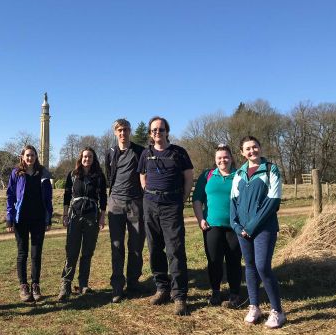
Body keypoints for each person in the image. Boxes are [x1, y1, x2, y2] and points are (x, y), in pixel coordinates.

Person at [137, 116, 193, 315]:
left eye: (160, 129)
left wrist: (183, 198)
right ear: (150, 133)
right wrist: (147, 191)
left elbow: (188, 177)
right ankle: (162, 288)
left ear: (167, 131)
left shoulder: (179, 153)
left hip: (172, 206)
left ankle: (179, 296)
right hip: (150, 205)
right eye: (154, 130)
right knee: (154, 249)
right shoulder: (145, 153)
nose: (157, 133)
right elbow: (142, 174)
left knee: (175, 249)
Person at [230, 136, 286, 329]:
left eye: (255, 147)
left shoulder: (271, 169)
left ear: (260, 148)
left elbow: (273, 202)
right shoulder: (238, 173)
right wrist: (237, 226)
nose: (252, 151)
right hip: (242, 231)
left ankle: (277, 311)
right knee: (250, 266)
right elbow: (233, 203)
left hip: (264, 228)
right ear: (242, 153)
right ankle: (254, 306)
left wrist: (251, 227)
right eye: (248, 148)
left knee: (262, 266)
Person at [192, 144, 243, 308]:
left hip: (234, 226)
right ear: (215, 160)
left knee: (234, 260)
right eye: (219, 158)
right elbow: (197, 199)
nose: (223, 160)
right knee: (214, 260)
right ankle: (215, 292)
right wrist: (200, 219)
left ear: (231, 158)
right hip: (211, 225)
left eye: (226, 157)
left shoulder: (239, 175)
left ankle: (235, 294)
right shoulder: (207, 175)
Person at [58, 147, 107, 301]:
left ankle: (83, 284)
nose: (87, 159)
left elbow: (103, 198)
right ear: (81, 158)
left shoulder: (99, 176)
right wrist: (65, 214)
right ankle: (65, 285)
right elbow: (66, 196)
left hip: (92, 217)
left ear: (94, 159)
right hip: (75, 216)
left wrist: (102, 217)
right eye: (85, 156)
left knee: (87, 253)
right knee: (72, 252)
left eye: (90, 157)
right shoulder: (72, 175)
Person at [104, 118, 145, 303]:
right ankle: (117, 286)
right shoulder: (110, 153)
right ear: (115, 132)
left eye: (126, 130)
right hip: (115, 203)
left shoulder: (140, 152)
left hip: (136, 202)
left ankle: (133, 282)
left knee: (136, 245)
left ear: (130, 131)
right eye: (119, 130)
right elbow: (108, 176)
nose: (123, 133)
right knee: (117, 245)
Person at [6, 145, 53, 303]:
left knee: (36, 253)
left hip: (39, 218)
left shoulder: (43, 173)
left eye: (32, 155)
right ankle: (23, 286)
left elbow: (48, 198)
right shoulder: (16, 173)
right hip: (21, 219)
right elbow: (10, 196)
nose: (30, 158)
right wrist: (9, 217)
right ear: (22, 156)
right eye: (27, 155)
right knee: (22, 253)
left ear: (36, 156)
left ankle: (35, 285)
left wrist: (49, 217)